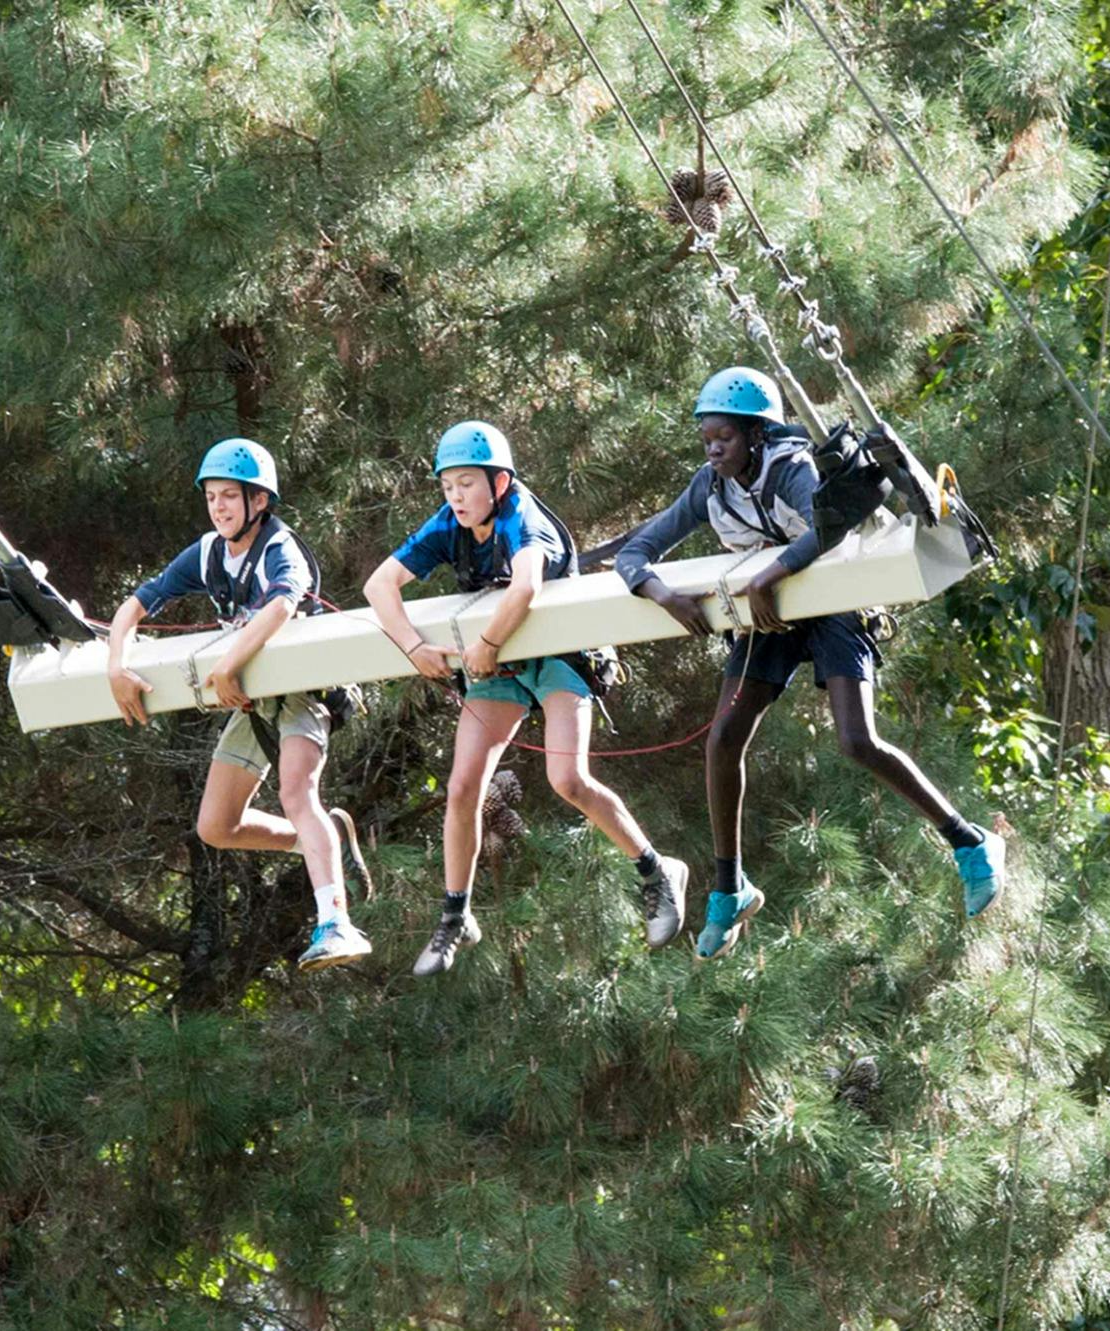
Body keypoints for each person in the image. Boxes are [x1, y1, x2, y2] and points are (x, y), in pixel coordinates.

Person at [614, 367, 1005, 958]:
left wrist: (771, 574)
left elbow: (829, 528)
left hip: (831, 604)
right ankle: (729, 888)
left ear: (756, 434)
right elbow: (636, 551)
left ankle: (970, 842)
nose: (714, 450)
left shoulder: (792, 468)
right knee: (722, 739)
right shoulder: (710, 486)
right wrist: (662, 594)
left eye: (725, 437)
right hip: (771, 618)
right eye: (707, 439)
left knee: (857, 740)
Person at [364, 421, 690, 976]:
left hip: (560, 654)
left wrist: (488, 643)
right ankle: (456, 914)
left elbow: (527, 586)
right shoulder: (450, 523)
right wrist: (414, 647)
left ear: (499, 481)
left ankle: (657, 870)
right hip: (502, 666)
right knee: (462, 787)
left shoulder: (523, 517)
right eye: (447, 486)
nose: (456, 497)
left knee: (568, 780)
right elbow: (378, 586)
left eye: (467, 484)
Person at [105, 438, 374, 972]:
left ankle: (337, 924)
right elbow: (134, 605)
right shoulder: (209, 552)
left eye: (229, 496)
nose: (219, 507)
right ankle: (323, 839)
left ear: (259, 501)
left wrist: (228, 666)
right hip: (253, 699)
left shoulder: (279, 547)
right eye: (211, 497)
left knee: (296, 793)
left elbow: (282, 605)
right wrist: (117, 665)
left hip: (303, 692)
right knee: (216, 826)